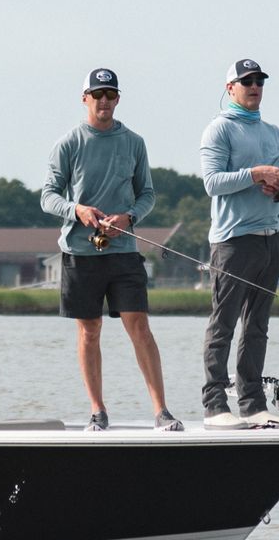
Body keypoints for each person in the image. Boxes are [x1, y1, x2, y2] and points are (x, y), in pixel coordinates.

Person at [38, 67, 182, 432]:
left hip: (124, 251)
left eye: (111, 94)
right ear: (85, 98)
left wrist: (128, 218)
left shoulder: (134, 142)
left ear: (118, 99)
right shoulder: (68, 143)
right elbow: (48, 196)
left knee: (140, 326)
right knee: (90, 330)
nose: (104, 101)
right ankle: (98, 411)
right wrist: (78, 211)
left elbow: (147, 194)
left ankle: (162, 411)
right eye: (97, 94)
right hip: (79, 252)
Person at [198, 57, 279, 429]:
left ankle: (253, 402)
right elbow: (212, 183)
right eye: (246, 81)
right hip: (233, 243)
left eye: (259, 80)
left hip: (270, 241)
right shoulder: (219, 130)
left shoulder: (274, 133)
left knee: (257, 325)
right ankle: (214, 404)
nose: (254, 86)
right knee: (223, 324)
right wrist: (256, 174)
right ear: (231, 89)